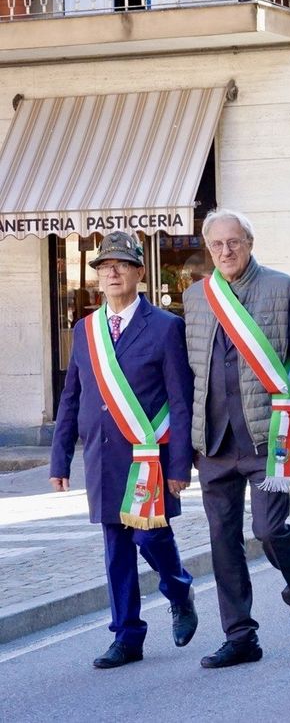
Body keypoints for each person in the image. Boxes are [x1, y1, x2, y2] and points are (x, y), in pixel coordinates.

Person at [50, 232, 197, 669]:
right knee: (116, 548)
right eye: (104, 266)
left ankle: (179, 590)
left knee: (150, 536)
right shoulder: (86, 330)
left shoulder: (166, 326)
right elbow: (71, 397)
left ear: (139, 272)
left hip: (148, 456)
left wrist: (180, 465)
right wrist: (60, 458)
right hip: (102, 456)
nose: (112, 272)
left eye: (121, 265)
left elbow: (181, 400)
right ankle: (127, 635)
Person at [183, 209, 290, 668]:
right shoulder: (195, 298)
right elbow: (189, 375)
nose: (226, 251)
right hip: (214, 444)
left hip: (268, 438)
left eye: (234, 242)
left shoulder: (283, 288)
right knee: (223, 540)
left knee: (268, 530)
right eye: (217, 244)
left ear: (250, 243)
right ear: (209, 249)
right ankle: (240, 635)